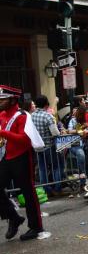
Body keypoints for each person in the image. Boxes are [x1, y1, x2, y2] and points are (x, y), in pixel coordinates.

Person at [0, 85, 45, 241]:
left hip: (22, 157)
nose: (0, 101)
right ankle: (13, 217)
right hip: (7, 157)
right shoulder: (2, 115)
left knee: (28, 192)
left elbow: (24, 140)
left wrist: (3, 133)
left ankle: (36, 227)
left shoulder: (22, 116)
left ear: (13, 99)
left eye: (3, 99)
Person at [32, 95, 65, 195]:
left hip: (37, 147)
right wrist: (61, 132)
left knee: (42, 169)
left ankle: (47, 190)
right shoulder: (47, 116)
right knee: (57, 167)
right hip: (49, 146)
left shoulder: (32, 115)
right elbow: (55, 133)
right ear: (46, 104)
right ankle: (58, 188)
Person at [67, 106, 87, 186]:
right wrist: (79, 130)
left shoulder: (86, 119)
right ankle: (82, 176)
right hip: (76, 145)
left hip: (86, 143)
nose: (75, 113)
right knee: (80, 154)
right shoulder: (73, 120)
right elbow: (69, 130)